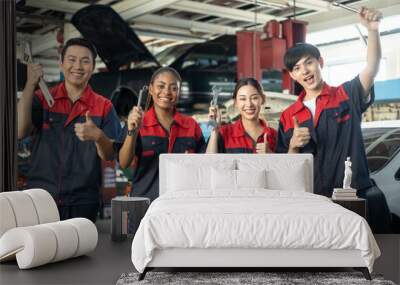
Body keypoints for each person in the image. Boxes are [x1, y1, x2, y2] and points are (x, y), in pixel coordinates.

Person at [276, 7, 391, 233]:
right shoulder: (288, 115)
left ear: (321, 62)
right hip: (312, 201)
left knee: (361, 261)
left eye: (309, 62)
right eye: (297, 68)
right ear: (292, 75)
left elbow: (371, 68)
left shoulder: (346, 95)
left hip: (353, 195)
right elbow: (285, 168)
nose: (305, 71)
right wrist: (293, 146)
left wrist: (373, 30)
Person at [17, 38, 121, 222]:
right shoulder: (42, 99)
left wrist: (98, 136)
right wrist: (29, 86)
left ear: (93, 66)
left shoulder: (104, 107)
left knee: (80, 251)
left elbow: (109, 155)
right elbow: (19, 131)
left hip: (83, 202)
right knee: (40, 250)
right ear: (61, 64)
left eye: (85, 61)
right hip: (40, 198)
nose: (78, 66)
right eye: (72, 59)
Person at [118, 67, 206, 201]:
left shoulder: (191, 125)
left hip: (183, 202)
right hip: (145, 203)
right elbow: (124, 163)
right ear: (151, 89)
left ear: (179, 92)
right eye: (161, 86)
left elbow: (204, 165)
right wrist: (132, 132)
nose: (166, 92)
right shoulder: (138, 122)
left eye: (173, 88)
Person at [206, 77, 277, 154]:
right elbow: (209, 163)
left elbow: (286, 164)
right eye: (243, 99)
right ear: (236, 102)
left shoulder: (274, 135)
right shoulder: (223, 133)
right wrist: (214, 131)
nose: (249, 104)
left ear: (262, 99)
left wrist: (271, 154)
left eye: (254, 98)